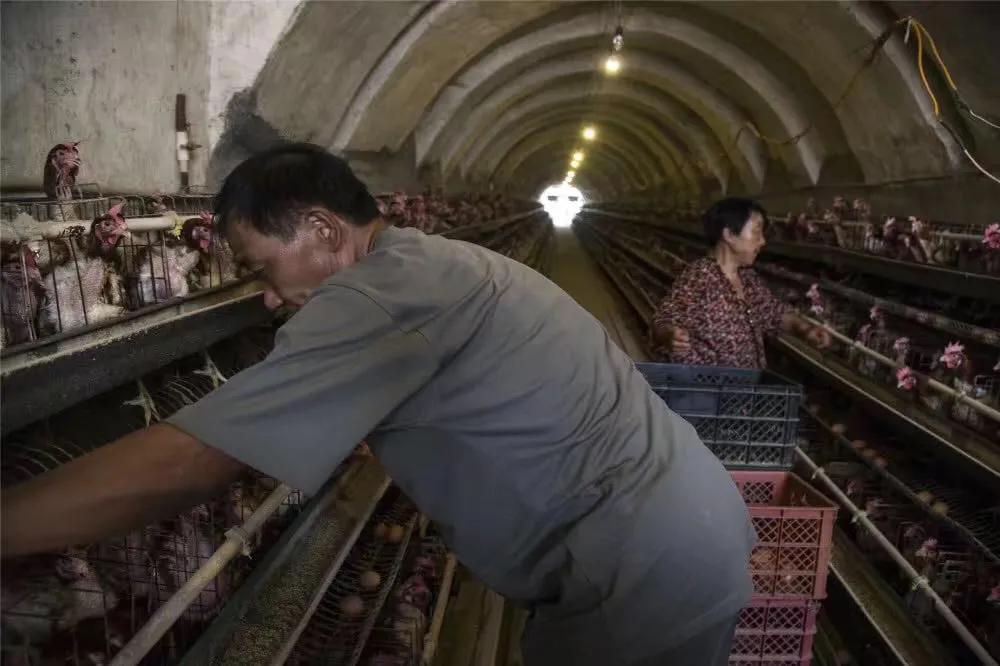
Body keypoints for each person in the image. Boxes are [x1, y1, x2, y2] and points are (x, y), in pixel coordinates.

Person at [2, 144, 754, 666]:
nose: (268, 296)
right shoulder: (430, 261)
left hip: (638, 572)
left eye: (263, 268)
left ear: (324, 229)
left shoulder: (379, 295)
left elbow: (193, 459)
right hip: (681, 531)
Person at [651, 197, 830, 368]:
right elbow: (663, 321)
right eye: (756, 232)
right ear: (729, 235)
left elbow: (774, 313)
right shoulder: (699, 278)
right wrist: (669, 335)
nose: (763, 241)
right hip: (708, 385)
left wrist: (805, 329)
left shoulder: (747, 278)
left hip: (743, 385)